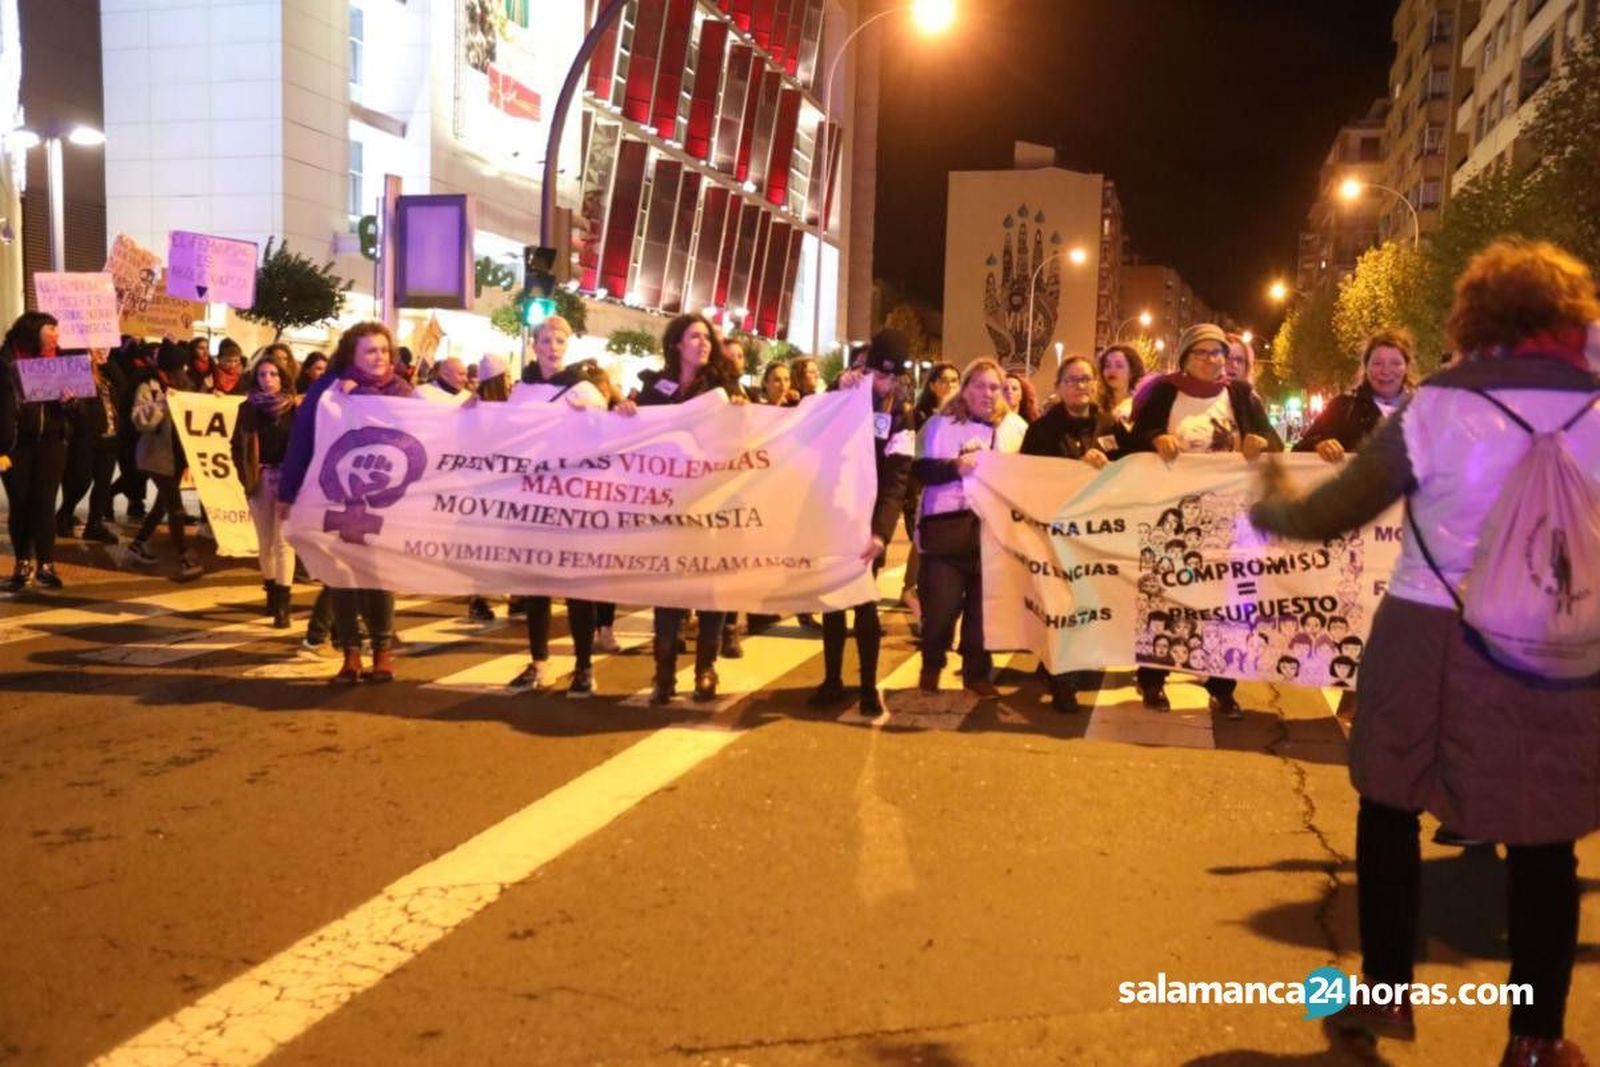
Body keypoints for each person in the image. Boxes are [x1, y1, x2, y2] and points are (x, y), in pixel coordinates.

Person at [1250, 239, 1600, 1066]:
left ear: (1474, 316)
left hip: (1426, 629)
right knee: (1545, 835)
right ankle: (1536, 1038)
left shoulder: (1436, 406)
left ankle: (1388, 992)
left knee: (1389, 804)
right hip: (1552, 641)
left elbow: (1335, 508)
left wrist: (1271, 498)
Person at [1128, 323, 1283, 718]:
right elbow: (1135, 438)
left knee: (1224, 604)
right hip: (1171, 514)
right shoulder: (1164, 391)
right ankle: (1152, 679)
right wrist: (1154, 438)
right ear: (1184, 357)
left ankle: (1222, 686)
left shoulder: (1241, 394)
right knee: (1165, 597)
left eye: (1219, 353)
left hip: (1228, 516)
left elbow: (1273, 439)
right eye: (1203, 353)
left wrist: (1260, 440)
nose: (1214, 360)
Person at [278, 321, 415, 684]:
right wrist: (287, 493)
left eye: (384, 350)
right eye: (370, 351)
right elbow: (303, 441)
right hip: (335, 498)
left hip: (385, 503)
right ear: (351, 353)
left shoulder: (402, 392)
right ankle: (351, 654)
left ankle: (382, 652)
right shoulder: (329, 390)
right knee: (342, 575)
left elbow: (436, 431)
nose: (379, 357)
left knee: (379, 574)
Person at [507, 315, 634, 695]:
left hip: (571, 499)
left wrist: (613, 412)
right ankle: (539, 662)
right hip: (531, 498)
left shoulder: (583, 390)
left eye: (559, 340)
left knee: (576, 585)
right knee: (536, 586)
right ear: (534, 344)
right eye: (545, 340)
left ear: (567, 347)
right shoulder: (521, 390)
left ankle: (583, 665)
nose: (552, 347)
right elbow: (502, 435)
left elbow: (605, 441)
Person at [636, 312, 745, 704]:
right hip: (667, 504)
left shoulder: (724, 387)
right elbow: (636, 433)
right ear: (677, 344)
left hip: (711, 503)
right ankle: (664, 672)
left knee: (709, 589)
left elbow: (744, 436)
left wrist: (739, 410)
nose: (702, 343)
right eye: (694, 337)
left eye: (707, 338)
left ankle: (705, 669)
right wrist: (626, 413)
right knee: (668, 589)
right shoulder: (655, 388)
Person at [809, 329, 914, 716]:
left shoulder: (901, 411)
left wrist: (882, 533)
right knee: (832, 603)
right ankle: (832, 679)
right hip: (832, 510)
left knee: (865, 604)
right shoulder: (843, 392)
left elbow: (897, 477)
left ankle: (868, 685)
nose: (882, 383)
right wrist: (836, 390)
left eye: (890, 377)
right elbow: (806, 428)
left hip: (868, 519)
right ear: (864, 367)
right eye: (876, 374)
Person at [912, 357, 1026, 696]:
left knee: (983, 611)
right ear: (965, 389)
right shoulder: (939, 424)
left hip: (991, 533)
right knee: (942, 610)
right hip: (947, 529)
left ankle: (977, 673)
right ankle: (932, 661)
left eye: (994, 387)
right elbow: (919, 469)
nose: (988, 393)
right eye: (979, 385)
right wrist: (954, 467)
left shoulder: (1014, 429)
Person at [1021, 355, 1121, 712]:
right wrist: (1074, 471)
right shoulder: (1043, 429)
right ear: (1059, 387)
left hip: (1097, 533)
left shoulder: (1109, 425)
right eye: (1073, 380)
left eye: (1086, 379)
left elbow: (1130, 469)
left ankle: (1058, 667)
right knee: (1062, 604)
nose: (1081, 386)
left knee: (1087, 605)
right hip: (1056, 532)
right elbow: (1029, 477)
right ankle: (1065, 681)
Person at [0, 312, 73, 590]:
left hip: (52, 442)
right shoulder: (6, 362)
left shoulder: (60, 362)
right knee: (21, 505)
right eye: (51, 329)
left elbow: (77, 412)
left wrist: (70, 403)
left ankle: (46, 564)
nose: (56, 334)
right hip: (15, 446)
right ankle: (22, 562)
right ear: (33, 333)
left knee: (44, 502)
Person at [126, 342, 203, 581]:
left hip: (178, 456)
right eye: (181, 367)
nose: (185, 371)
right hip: (158, 457)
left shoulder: (186, 386)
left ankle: (138, 543)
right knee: (175, 507)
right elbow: (140, 420)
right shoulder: (148, 387)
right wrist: (162, 404)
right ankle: (183, 557)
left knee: (162, 504)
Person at [233, 349, 298, 627]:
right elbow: (237, 446)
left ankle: (284, 605)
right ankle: (271, 592)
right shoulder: (247, 409)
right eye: (262, 374)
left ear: (283, 377)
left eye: (273, 374)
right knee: (265, 542)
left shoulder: (295, 408)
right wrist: (247, 475)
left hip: (287, 480)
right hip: (260, 481)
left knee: (285, 543)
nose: (267, 379)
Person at [900, 361, 961, 630]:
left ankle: (917, 593)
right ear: (933, 385)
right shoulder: (921, 416)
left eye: (955, 380)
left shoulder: (963, 416)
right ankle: (916, 593)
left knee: (929, 550)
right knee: (923, 545)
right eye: (944, 380)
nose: (950, 385)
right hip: (924, 491)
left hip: (952, 495)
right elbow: (913, 458)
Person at [1294, 328, 1417, 458]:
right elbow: (1298, 453)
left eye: (1395, 363)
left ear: (1407, 367)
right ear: (1366, 367)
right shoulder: (1342, 408)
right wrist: (1318, 445)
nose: (1386, 371)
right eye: (1377, 363)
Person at [58, 345, 129, 545]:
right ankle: (64, 514)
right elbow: (77, 410)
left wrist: (109, 363)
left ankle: (95, 525)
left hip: (110, 437)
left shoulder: (107, 376)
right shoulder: (79, 375)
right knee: (81, 480)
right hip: (87, 438)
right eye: (98, 349)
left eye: (106, 349)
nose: (103, 352)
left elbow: (124, 387)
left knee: (103, 484)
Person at [1098, 344, 1147, 427]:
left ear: (1132, 372)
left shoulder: (1139, 405)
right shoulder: (1097, 404)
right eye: (1107, 366)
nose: (1112, 370)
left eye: (1119, 366)